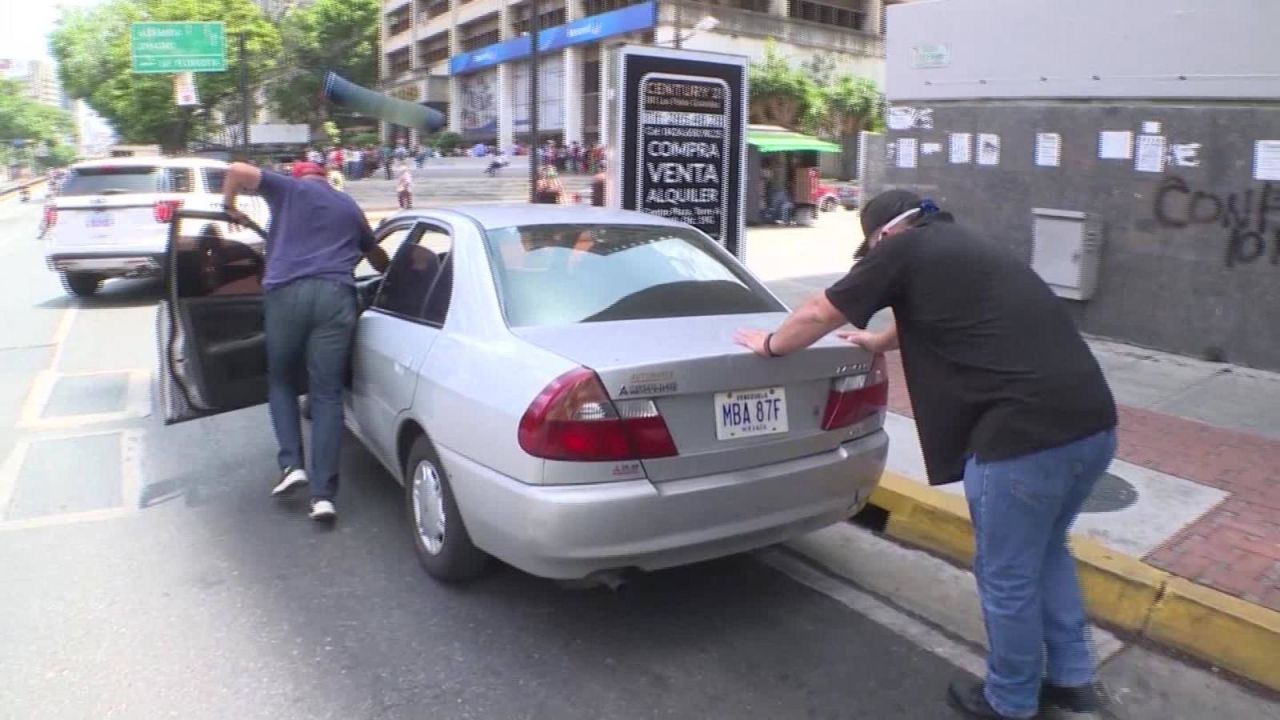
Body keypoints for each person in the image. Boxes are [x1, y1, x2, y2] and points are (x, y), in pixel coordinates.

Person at [734, 190, 1118, 720]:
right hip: (1093, 426)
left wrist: (772, 345)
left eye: (870, 247)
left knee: (1006, 574)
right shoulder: (967, 246)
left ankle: (1009, 700)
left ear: (884, 235)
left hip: (1021, 441)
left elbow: (822, 310)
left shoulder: (899, 252)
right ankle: (1074, 679)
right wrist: (877, 343)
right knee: (1048, 550)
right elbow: (934, 316)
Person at [220, 160, 390, 523]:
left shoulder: (287, 189)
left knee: (281, 379)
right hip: (336, 296)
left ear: (298, 176)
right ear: (327, 179)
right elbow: (378, 259)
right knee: (326, 392)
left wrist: (229, 207)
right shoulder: (348, 205)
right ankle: (323, 496)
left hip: (286, 294)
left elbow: (235, 170)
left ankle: (292, 465)